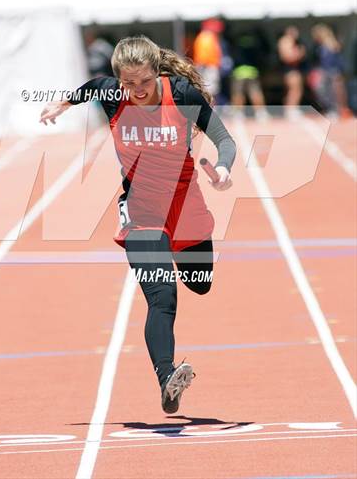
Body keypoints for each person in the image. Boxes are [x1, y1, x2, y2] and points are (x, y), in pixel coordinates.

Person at [40, 35, 236, 414]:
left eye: (144, 82)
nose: (137, 91)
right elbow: (90, 88)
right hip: (141, 210)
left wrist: (224, 169)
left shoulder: (180, 94)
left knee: (200, 284)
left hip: (185, 205)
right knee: (162, 296)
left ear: (156, 72)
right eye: (128, 84)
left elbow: (224, 140)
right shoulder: (112, 93)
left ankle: (181, 257)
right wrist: (59, 105)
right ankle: (167, 378)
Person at [310, 23, 353, 120]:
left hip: (334, 71)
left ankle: (340, 110)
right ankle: (332, 110)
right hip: (325, 71)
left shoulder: (331, 42)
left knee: (336, 92)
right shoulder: (320, 45)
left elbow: (336, 55)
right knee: (325, 92)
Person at [230, 28, 270, 121]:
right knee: (255, 92)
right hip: (252, 71)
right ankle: (260, 112)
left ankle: (238, 113)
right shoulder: (255, 43)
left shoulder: (237, 43)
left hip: (239, 72)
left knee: (238, 93)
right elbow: (260, 56)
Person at [277, 25, 307, 120]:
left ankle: (291, 109)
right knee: (294, 90)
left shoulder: (290, 42)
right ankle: (290, 110)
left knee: (295, 89)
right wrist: (300, 53)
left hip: (291, 69)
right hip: (290, 69)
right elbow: (288, 57)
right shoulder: (286, 41)